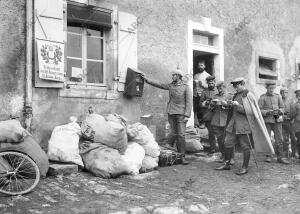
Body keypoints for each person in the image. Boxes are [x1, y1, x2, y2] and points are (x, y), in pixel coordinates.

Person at [215, 77, 274, 175]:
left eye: (236, 85)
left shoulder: (248, 95)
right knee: (227, 143)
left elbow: (251, 112)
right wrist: (228, 104)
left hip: (244, 125)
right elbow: (233, 109)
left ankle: (245, 167)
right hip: (233, 124)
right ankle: (227, 163)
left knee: (245, 147)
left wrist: (238, 105)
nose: (235, 87)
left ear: (242, 84)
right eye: (234, 85)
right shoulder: (236, 95)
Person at [141, 69, 192, 165]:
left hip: (181, 114)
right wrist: (147, 80)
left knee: (181, 134)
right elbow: (160, 84)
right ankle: (175, 154)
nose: (172, 77)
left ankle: (182, 157)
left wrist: (187, 115)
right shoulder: (171, 85)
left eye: (174, 75)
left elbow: (189, 102)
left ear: (178, 76)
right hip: (171, 112)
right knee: (174, 133)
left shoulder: (186, 87)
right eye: (172, 75)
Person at [258, 82, 289, 164]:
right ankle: (268, 156)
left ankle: (280, 157)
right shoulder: (262, 98)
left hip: (277, 120)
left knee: (279, 139)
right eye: (270, 88)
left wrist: (280, 111)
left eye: (273, 88)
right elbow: (259, 110)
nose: (272, 90)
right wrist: (267, 112)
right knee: (267, 139)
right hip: (267, 120)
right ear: (266, 88)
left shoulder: (278, 96)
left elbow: (282, 107)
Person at [211, 81, 232, 163]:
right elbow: (211, 109)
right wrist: (212, 104)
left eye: (221, 88)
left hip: (226, 120)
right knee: (220, 140)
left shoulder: (229, 96)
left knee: (228, 140)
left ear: (225, 87)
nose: (220, 90)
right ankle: (223, 155)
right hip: (216, 121)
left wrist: (225, 104)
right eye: (218, 88)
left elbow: (232, 107)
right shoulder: (215, 96)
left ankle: (231, 157)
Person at [200, 75, 217, 153]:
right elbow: (200, 104)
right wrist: (206, 102)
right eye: (209, 83)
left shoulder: (217, 91)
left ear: (214, 82)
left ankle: (221, 147)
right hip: (208, 115)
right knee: (211, 132)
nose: (211, 84)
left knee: (219, 132)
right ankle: (213, 148)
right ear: (207, 83)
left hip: (217, 115)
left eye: (212, 83)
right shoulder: (204, 92)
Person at [280, 87, 297, 158]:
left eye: (286, 92)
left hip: (290, 122)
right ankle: (285, 152)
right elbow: (276, 111)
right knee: (284, 138)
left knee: (293, 138)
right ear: (281, 93)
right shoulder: (278, 100)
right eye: (283, 92)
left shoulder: (291, 101)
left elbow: (294, 111)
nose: (284, 94)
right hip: (282, 123)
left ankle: (294, 152)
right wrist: (281, 117)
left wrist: (292, 118)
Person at [194, 61, 211, 128]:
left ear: (204, 66)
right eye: (199, 65)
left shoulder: (207, 75)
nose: (200, 67)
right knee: (197, 109)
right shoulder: (196, 75)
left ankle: (203, 123)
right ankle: (197, 122)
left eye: (201, 65)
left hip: (204, 95)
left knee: (203, 109)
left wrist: (202, 84)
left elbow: (210, 87)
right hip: (196, 94)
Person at [290, 89, 300, 162]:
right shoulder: (295, 104)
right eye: (298, 95)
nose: (299, 97)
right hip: (298, 124)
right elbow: (292, 115)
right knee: (299, 140)